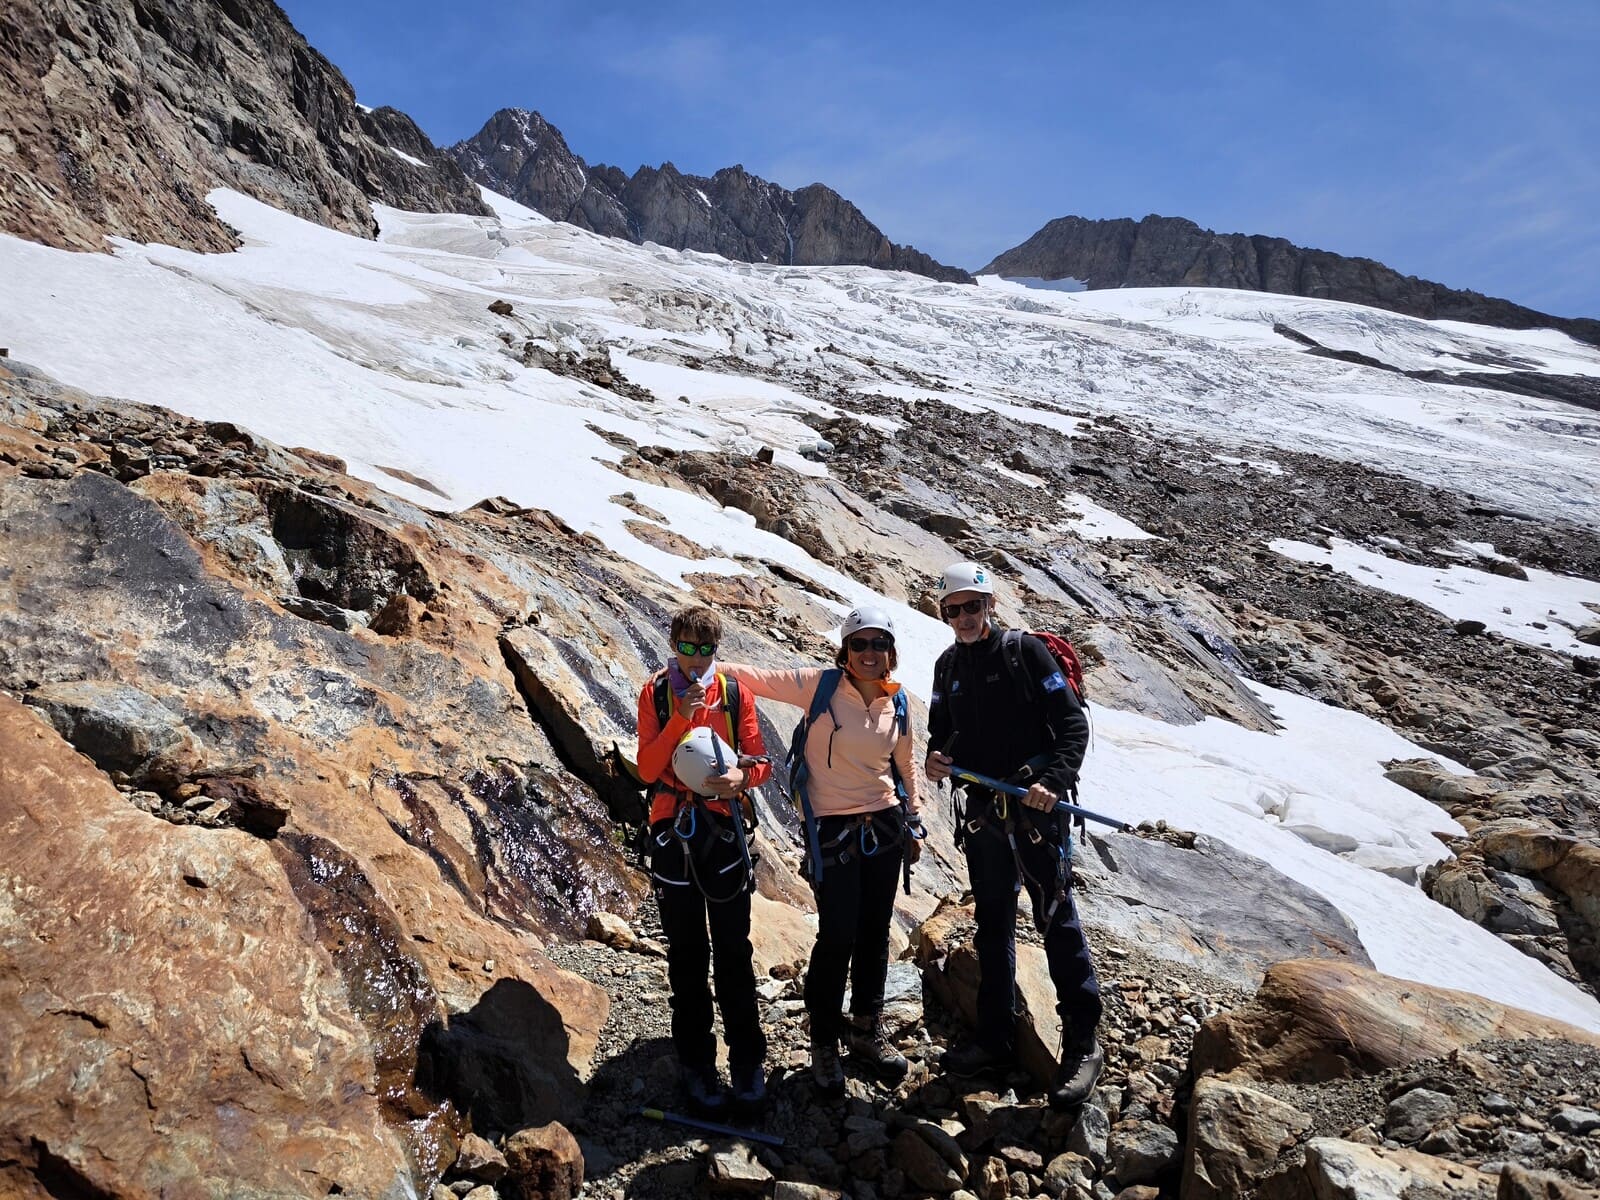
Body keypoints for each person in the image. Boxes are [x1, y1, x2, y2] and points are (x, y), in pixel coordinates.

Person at [719, 605, 923, 1095]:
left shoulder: (897, 703)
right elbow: (756, 679)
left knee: (874, 932)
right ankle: (825, 1041)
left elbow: (906, 763)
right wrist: (696, 666)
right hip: (831, 828)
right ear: (845, 651)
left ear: (890, 652)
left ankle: (866, 1027)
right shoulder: (820, 685)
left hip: (885, 823)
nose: (869, 653)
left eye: (878, 644)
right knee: (837, 935)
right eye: (860, 644)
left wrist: (913, 819)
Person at [924, 562, 1102, 1110]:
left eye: (972, 607)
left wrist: (1053, 781)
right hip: (985, 813)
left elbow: (1073, 726)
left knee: (1055, 918)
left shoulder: (1026, 653)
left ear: (990, 605)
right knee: (992, 923)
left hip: (1035, 813)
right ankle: (995, 1037)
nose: (964, 618)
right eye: (954, 610)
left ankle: (1081, 1045)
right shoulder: (947, 665)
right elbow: (941, 731)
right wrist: (938, 759)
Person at [636, 605, 773, 1113]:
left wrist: (743, 779)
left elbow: (760, 761)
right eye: (687, 647)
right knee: (687, 954)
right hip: (674, 832)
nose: (695, 659)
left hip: (723, 832)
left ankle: (747, 1062)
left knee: (734, 952)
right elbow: (648, 769)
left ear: (717, 650)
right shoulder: (655, 693)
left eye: (705, 648)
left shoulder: (736, 695)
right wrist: (681, 719)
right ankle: (697, 1064)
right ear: (674, 643)